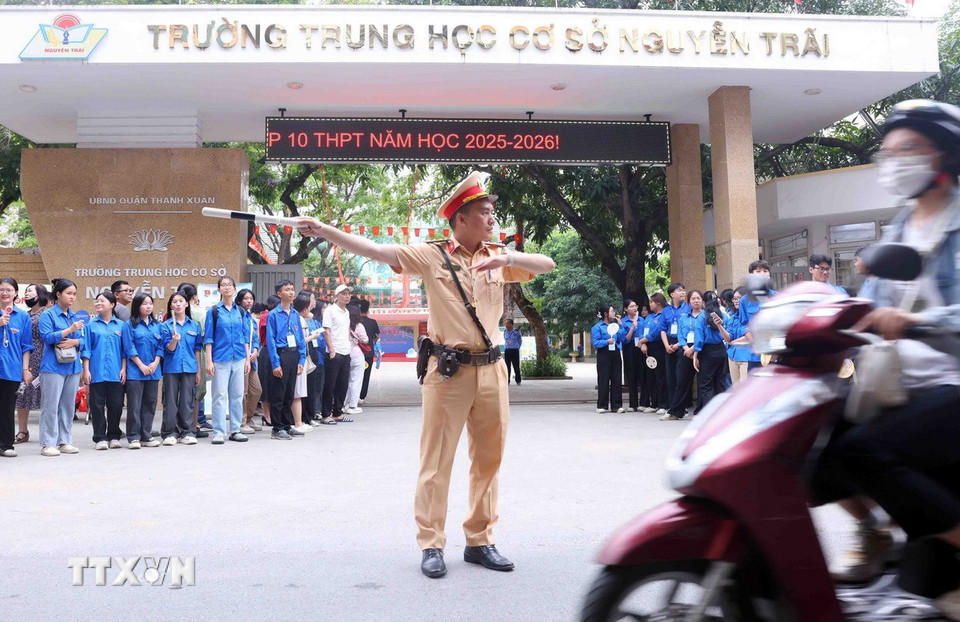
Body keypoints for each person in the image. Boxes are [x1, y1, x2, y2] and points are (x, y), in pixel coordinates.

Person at [296, 170, 555, 579]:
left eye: (492, 212)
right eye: (484, 212)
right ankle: (431, 543)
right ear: (461, 218)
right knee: (437, 460)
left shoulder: (497, 254)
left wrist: (507, 259)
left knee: (489, 459)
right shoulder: (433, 255)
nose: (492, 218)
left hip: (491, 370)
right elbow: (378, 250)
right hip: (447, 371)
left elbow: (547, 263)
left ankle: (480, 539)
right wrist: (326, 229)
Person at [810, 101, 960, 614]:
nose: (894, 162)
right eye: (888, 153)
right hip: (898, 382)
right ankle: (874, 528)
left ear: (943, 154)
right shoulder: (900, 226)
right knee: (814, 439)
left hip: (951, 384)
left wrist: (917, 322)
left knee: (867, 451)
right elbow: (869, 301)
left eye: (908, 150)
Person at [38, 278, 85, 457]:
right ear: (58, 294)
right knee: (50, 405)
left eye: (74, 294)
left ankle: (65, 440)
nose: (72, 297)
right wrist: (67, 331)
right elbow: (47, 337)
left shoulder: (75, 316)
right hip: (52, 367)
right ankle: (48, 442)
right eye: (69, 293)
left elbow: (84, 340)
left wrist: (75, 340)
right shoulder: (48, 315)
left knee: (67, 406)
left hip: (73, 367)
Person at [204, 276, 252, 445]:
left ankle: (236, 429)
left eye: (229, 285)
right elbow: (208, 338)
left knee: (237, 395)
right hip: (220, 358)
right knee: (219, 395)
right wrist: (209, 361)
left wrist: (247, 359)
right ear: (219, 290)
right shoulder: (214, 311)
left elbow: (245, 336)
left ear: (234, 288)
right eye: (223, 285)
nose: (226, 287)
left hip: (239, 357)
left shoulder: (240, 312)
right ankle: (218, 431)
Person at [80, 291, 125, 451]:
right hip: (96, 372)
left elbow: (125, 350)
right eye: (96, 301)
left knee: (117, 405)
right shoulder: (91, 325)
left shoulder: (121, 325)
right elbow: (86, 350)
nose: (98, 303)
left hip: (116, 372)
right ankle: (100, 438)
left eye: (102, 301)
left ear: (112, 304)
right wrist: (86, 370)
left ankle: (114, 435)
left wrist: (124, 369)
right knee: (97, 406)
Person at [160, 291, 202, 446]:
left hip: (190, 367)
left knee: (187, 401)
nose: (177, 304)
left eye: (180, 301)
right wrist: (173, 341)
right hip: (171, 368)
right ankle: (169, 432)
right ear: (171, 305)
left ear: (186, 304)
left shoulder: (194, 325)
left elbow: (197, 349)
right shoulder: (165, 326)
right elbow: (167, 350)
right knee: (170, 401)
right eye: (174, 302)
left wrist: (198, 370)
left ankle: (187, 432)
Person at [265, 279, 306, 440]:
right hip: (281, 354)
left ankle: (287, 425)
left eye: (292, 289)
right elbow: (270, 340)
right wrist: (275, 363)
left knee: (290, 392)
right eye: (287, 289)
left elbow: (301, 339)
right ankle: (277, 428)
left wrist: (301, 360)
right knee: (279, 393)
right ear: (279, 293)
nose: (291, 292)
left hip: (294, 354)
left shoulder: (295, 314)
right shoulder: (273, 315)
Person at [122, 293, 163, 449]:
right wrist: (140, 365)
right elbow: (129, 347)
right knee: (134, 405)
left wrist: (156, 362)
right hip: (135, 371)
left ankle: (146, 435)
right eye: (144, 303)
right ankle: (133, 436)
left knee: (150, 404)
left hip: (153, 371)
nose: (148, 306)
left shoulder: (157, 325)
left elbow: (161, 346)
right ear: (137, 306)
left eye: (150, 303)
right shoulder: (129, 325)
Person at [0, 278, 34, 457]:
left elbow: (26, 346)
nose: (4, 293)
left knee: (7, 408)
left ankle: (6, 445)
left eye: (8, 290)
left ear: (15, 293)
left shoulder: (22, 317)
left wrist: (25, 369)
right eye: (1, 290)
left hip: (11, 368)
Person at [15, 283, 49, 446]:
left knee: (47, 396)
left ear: (40, 295)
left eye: (30, 291)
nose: (26, 294)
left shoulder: (47, 314)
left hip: (44, 358)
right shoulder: (25, 315)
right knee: (22, 394)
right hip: (26, 358)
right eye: (26, 292)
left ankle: (49, 431)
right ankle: (23, 430)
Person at [663, 290, 703, 421]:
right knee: (682, 381)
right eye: (693, 299)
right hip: (685, 351)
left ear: (702, 300)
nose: (696, 301)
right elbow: (680, 335)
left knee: (703, 382)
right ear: (689, 302)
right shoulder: (683, 318)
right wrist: (686, 348)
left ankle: (701, 412)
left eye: (698, 298)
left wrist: (693, 349)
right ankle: (676, 411)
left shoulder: (706, 316)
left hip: (701, 350)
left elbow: (705, 335)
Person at [180, 283, 211, 436]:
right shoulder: (199, 313)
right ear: (194, 296)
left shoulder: (173, 312)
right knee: (197, 391)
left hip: (178, 356)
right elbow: (204, 335)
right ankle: (193, 426)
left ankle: (178, 427)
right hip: (197, 354)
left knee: (179, 392)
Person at [692, 291, 731, 413]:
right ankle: (721, 411)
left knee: (705, 383)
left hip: (707, 352)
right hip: (721, 349)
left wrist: (695, 356)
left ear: (704, 302)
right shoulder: (723, 316)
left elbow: (699, 339)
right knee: (720, 382)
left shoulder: (702, 317)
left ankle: (709, 412)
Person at [320, 284, 353, 425]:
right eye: (344, 293)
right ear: (337, 295)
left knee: (342, 384)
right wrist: (332, 350)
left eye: (348, 294)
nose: (347, 296)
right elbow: (327, 331)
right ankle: (326, 414)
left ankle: (338, 413)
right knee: (330, 385)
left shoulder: (346, 312)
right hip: (335, 352)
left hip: (346, 351)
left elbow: (346, 330)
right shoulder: (330, 310)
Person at [738, 260, 777, 371]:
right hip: (755, 356)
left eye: (765, 271)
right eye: (758, 271)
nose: (762, 274)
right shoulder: (744, 300)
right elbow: (744, 326)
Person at [235, 288, 261, 435]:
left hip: (252, 360)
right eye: (245, 298)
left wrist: (256, 350)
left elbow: (255, 338)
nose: (249, 301)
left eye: (251, 298)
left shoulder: (251, 318)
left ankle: (249, 418)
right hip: (241, 358)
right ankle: (242, 421)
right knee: (243, 391)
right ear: (239, 300)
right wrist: (246, 355)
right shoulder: (238, 316)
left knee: (256, 390)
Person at [660, 283, 690, 413]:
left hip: (683, 343)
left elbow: (689, 328)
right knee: (670, 376)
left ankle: (683, 406)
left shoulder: (688, 308)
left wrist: (679, 345)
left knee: (681, 376)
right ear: (672, 294)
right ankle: (673, 406)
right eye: (679, 291)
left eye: (683, 290)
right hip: (669, 343)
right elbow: (662, 329)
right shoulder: (666, 310)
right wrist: (667, 346)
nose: (682, 293)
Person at [591, 304, 625, 414]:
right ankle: (602, 405)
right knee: (604, 379)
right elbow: (595, 343)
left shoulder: (615, 326)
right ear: (605, 313)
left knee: (617, 379)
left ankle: (616, 405)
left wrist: (621, 325)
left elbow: (622, 338)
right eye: (612, 311)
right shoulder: (597, 327)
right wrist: (606, 342)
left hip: (615, 353)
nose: (614, 313)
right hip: (604, 354)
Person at [639, 293, 668, 414]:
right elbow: (643, 330)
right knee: (650, 376)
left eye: (652, 302)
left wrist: (642, 341)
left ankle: (663, 404)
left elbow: (656, 333)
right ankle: (653, 403)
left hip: (659, 347)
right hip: (647, 347)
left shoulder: (663, 315)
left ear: (659, 303)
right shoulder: (650, 317)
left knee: (660, 375)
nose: (650, 304)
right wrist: (644, 343)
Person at [257, 294, 281, 428]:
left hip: (278, 351)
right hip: (267, 350)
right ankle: (266, 415)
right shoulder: (266, 316)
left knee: (275, 385)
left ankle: (272, 414)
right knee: (266, 385)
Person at [343, 304, 369, 416]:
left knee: (345, 381)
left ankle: (343, 404)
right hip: (357, 355)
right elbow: (365, 340)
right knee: (356, 381)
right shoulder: (359, 326)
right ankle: (353, 405)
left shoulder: (344, 325)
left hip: (345, 354)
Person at [725, 287, 752, 384]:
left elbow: (751, 336)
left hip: (746, 356)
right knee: (736, 390)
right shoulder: (732, 318)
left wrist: (734, 342)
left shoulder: (751, 316)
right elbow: (728, 337)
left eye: (739, 298)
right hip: (732, 356)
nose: (736, 301)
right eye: (734, 299)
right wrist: (719, 326)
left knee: (746, 389)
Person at [620, 299, 643, 412]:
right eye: (631, 306)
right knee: (632, 375)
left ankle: (644, 403)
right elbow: (626, 339)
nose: (634, 308)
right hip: (629, 349)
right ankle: (633, 404)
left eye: (635, 306)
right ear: (625, 309)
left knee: (643, 375)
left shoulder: (642, 320)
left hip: (641, 347)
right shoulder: (623, 322)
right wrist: (633, 326)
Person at [358, 299, 381, 402]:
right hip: (368, 353)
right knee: (366, 375)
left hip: (355, 352)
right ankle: (362, 396)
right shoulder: (372, 322)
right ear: (368, 309)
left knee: (354, 375)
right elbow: (377, 337)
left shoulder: (355, 322)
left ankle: (354, 396)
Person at [502, 318, 522, 385]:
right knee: (507, 366)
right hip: (507, 350)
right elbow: (505, 339)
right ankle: (507, 380)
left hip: (514, 350)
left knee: (516, 366)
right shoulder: (505, 332)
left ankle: (518, 380)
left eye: (508, 323)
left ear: (511, 324)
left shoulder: (516, 332)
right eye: (506, 324)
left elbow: (520, 340)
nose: (506, 325)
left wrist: (517, 347)